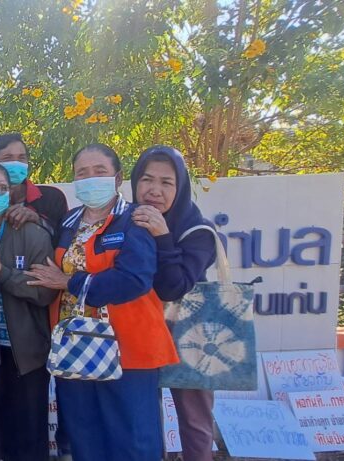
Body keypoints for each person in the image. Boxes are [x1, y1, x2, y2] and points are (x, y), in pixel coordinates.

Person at [26, 144, 178, 461]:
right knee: (85, 437)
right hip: (74, 349)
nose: (90, 178)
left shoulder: (135, 219)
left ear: (118, 178)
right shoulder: (68, 222)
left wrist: (69, 281)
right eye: (82, 173)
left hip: (127, 351)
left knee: (133, 441)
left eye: (100, 171)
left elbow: (133, 280)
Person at [131, 146, 218, 461]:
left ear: (180, 187)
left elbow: (173, 287)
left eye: (166, 182)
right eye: (147, 179)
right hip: (139, 334)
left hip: (188, 335)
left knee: (195, 420)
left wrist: (162, 235)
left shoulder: (199, 231)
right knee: (144, 418)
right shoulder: (126, 222)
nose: (155, 190)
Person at [0, 163, 57, 461]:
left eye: (0, 188)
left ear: (10, 193)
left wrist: (2, 272)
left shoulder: (32, 233)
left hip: (25, 355)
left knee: (28, 439)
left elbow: (45, 292)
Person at [0, 133, 69, 233]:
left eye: (21, 158)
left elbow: (65, 237)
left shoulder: (52, 198)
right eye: (7, 158)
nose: (16, 163)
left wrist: (38, 220)